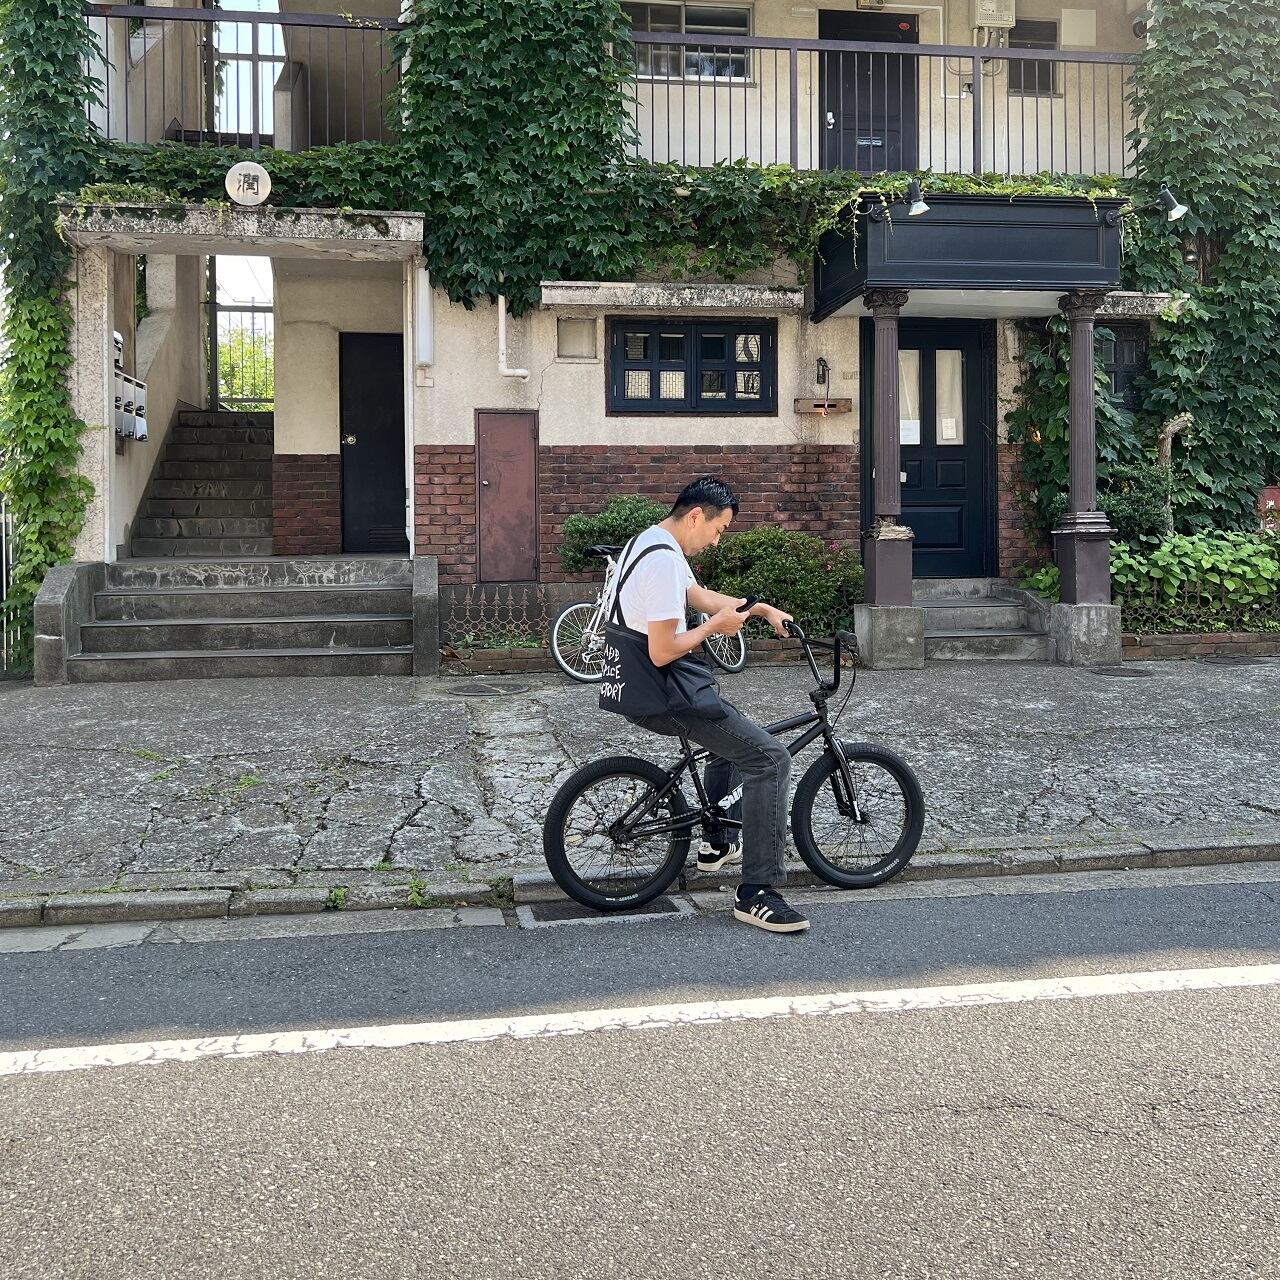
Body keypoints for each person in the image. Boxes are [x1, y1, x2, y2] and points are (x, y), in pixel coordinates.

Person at [615, 476, 810, 934]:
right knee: (770, 759)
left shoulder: (652, 542)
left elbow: (699, 597)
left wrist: (758, 609)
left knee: (733, 741)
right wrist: (712, 628)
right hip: (665, 692)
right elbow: (663, 650)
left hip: (649, 687)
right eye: (719, 529)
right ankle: (756, 892)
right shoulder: (663, 562)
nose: (717, 540)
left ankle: (718, 841)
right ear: (696, 516)